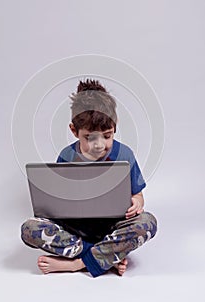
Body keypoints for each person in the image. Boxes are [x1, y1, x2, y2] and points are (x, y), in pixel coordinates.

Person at [21, 79, 157, 277]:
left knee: (148, 222)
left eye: (107, 136)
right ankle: (105, 257)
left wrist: (136, 203)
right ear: (74, 131)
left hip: (112, 228)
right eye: (90, 137)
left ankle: (76, 264)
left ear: (115, 128)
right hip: (76, 230)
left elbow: (138, 196)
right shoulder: (67, 156)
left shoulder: (125, 154)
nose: (99, 145)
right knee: (29, 229)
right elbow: (57, 202)